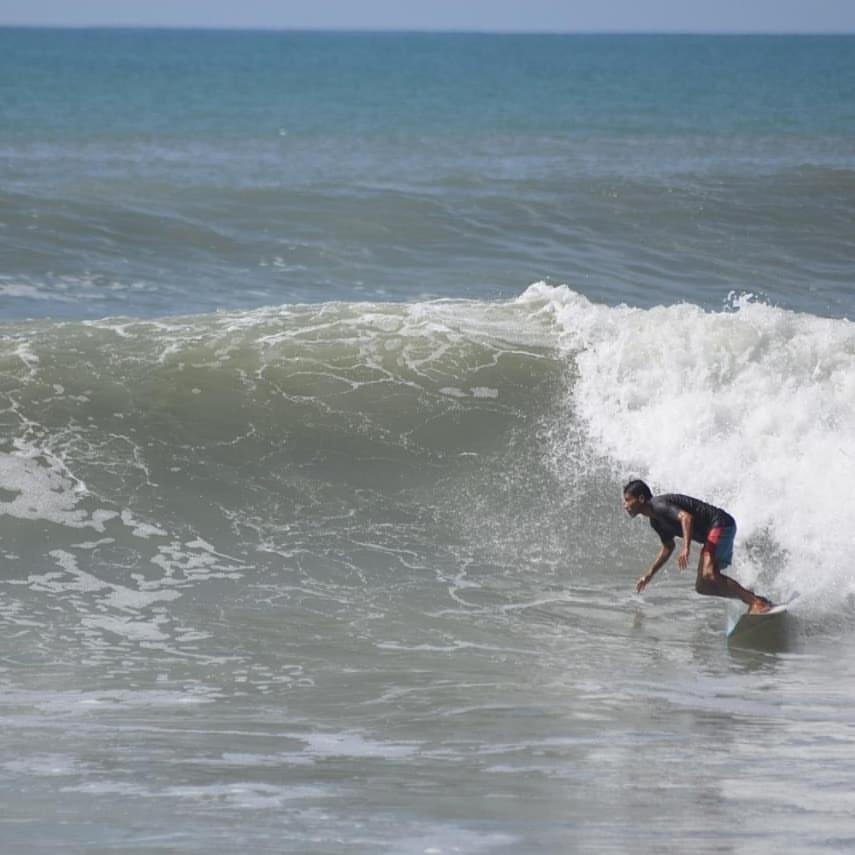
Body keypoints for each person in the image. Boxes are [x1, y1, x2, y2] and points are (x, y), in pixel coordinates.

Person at [623, 479, 772, 614]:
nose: (625, 505)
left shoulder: (659, 505)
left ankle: (755, 602)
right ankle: (751, 596)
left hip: (720, 524)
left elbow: (686, 517)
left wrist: (686, 548)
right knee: (703, 587)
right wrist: (649, 575)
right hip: (712, 534)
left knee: (708, 574)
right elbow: (668, 547)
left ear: (641, 498)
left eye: (628, 500)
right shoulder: (655, 521)